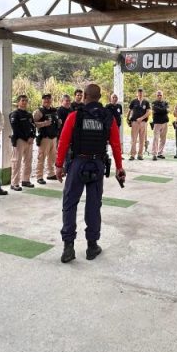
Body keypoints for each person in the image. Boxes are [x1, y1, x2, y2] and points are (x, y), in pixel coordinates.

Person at [55, 83, 125, 263]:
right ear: (100, 97)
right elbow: (116, 144)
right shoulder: (108, 117)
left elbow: (63, 141)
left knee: (70, 203)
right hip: (97, 164)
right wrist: (119, 167)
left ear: (85, 96)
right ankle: (92, 246)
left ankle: (68, 247)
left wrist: (58, 165)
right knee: (94, 205)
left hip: (78, 162)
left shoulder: (74, 116)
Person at [8, 94, 36, 191]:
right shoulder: (14, 114)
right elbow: (16, 129)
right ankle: (14, 183)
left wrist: (32, 137)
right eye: (22, 100)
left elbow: (33, 127)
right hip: (19, 140)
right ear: (18, 102)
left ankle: (25, 180)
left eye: (26, 101)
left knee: (28, 161)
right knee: (17, 162)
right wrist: (26, 138)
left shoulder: (29, 115)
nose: (24, 102)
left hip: (29, 141)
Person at [33, 93, 61, 185]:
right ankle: (39, 176)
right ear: (42, 100)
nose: (47, 100)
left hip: (53, 137)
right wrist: (44, 123)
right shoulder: (38, 112)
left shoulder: (54, 111)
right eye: (45, 99)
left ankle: (51, 173)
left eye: (48, 99)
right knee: (41, 158)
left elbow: (57, 122)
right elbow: (33, 124)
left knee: (52, 158)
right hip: (44, 138)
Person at [127, 88, 150, 161]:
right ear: (137, 93)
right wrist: (128, 119)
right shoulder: (134, 101)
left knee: (142, 139)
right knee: (134, 139)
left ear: (143, 93)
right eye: (139, 93)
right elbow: (130, 111)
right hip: (135, 122)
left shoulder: (146, 102)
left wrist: (141, 118)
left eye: (141, 93)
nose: (140, 94)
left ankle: (140, 154)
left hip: (143, 122)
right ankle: (132, 155)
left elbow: (148, 112)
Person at [149, 90, 170, 160]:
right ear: (156, 96)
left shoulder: (166, 103)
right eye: (158, 95)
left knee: (163, 139)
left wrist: (161, 110)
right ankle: (154, 154)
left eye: (160, 95)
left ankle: (160, 153)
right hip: (157, 123)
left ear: (162, 96)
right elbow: (158, 110)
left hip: (165, 123)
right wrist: (163, 110)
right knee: (156, 139)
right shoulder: (153, 103)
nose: (159, 96)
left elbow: (167, 110)